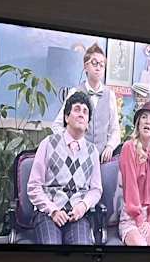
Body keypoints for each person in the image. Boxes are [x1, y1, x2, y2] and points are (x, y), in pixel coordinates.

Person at [25, 91, 102, 245]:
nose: (81, 114)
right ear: (66, 117)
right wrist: (53, 210)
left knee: (82, 249)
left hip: (77, 216)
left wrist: (83, 206)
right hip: (48, 214)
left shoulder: (92, 151)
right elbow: (33, 186)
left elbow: (96, 189)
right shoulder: (48, 143)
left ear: (88, 123)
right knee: (51, 247)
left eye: (85, 112)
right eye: (77, 109)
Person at [118, 100, 150, 246]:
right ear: (138, 123)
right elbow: (130, 188)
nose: (147, 121)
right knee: (140, 246)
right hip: (132, 215)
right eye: (144, 117)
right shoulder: (128, 148)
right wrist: (140, 220)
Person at [79, 43, 121, 163]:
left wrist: (110, 146)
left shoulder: (110, 95)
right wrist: (70, 145)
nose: (98, 67)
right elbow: (58, 125)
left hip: (101, 160)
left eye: (102, 65)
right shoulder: (75, 92)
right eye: (94, 63)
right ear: (85, 66)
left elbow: (115, 129)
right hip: (78, 158)